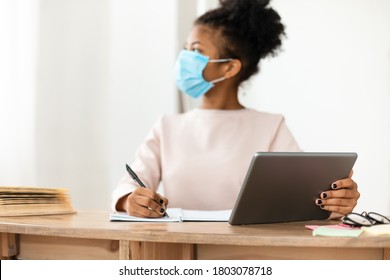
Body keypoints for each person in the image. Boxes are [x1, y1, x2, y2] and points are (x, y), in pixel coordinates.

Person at [112, 0, 359, 219]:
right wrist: (130, 200)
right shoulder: (166, 127)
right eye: (186, 49)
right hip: (179, 250)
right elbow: (126, 188)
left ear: (229, 68)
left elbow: (306, 200)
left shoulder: (271, 127)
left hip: (247, 251)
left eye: (196, 50)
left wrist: (336, 203)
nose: (185, 58)